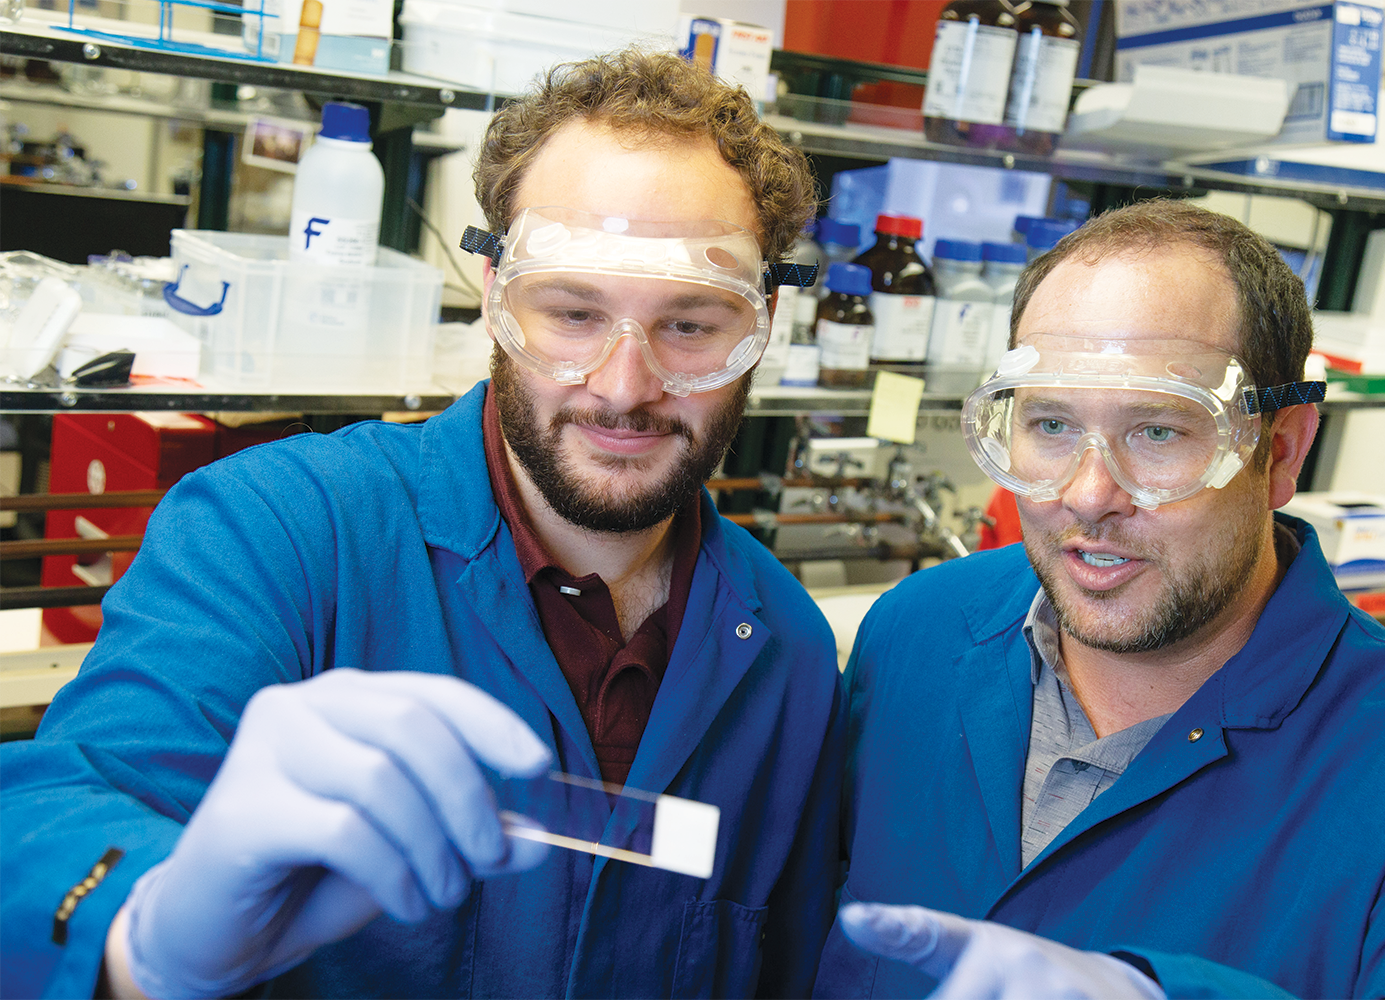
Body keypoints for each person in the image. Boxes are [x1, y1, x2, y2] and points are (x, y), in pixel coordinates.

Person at [0, 50, 844, 1000]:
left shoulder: (787, 649)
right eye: (571, 312)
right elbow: (62, 803)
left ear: (765, 321)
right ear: (493, 294)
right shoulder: (277, 529)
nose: (623, 386)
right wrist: (144, 936)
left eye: (691, 324)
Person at [813, 199, 1385, 1000]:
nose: (1089, 493)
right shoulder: (916, 632)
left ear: (1279, 452)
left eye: (1160, 432)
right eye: (1052, 424)